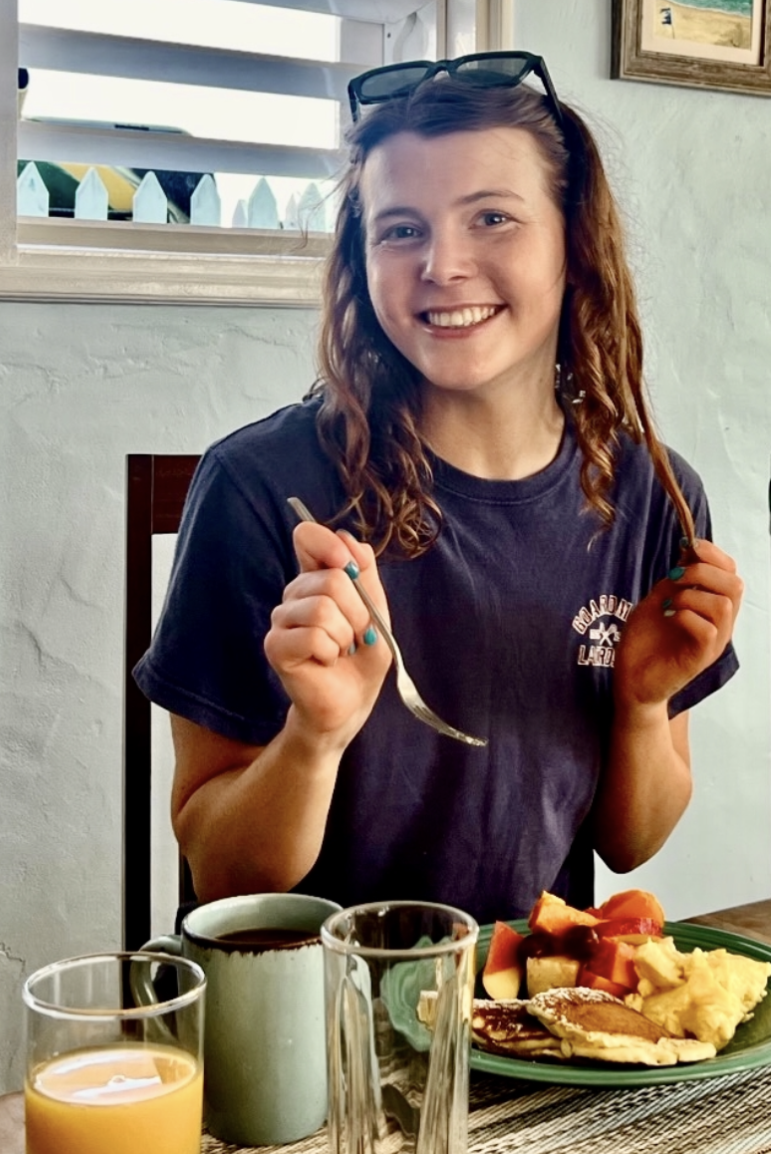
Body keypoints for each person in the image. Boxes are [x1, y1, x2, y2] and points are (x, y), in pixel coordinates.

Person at [134, 53, 742, 926]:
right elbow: (221, 872)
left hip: (531, 1018)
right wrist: (314, 738)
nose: (441, 265)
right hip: (308, 1028)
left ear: (573, 244)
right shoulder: (262, 489)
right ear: (363, 257)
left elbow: (629, 845)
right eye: (400, 230)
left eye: (490, 217)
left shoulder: (650, 494)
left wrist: (641, 707)